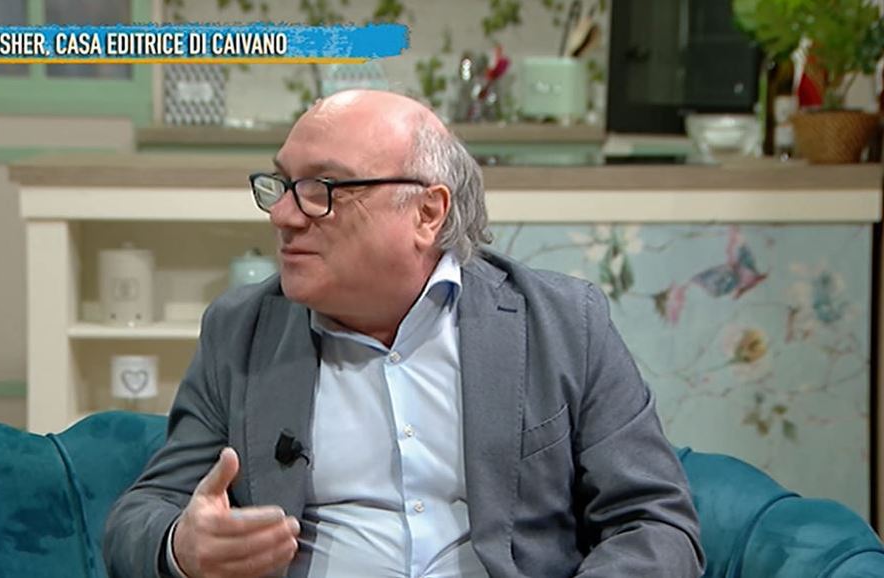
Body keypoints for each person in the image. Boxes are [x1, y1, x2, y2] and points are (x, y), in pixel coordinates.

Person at [103, 89, 705, 578]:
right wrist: (182, 547)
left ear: (426, 213)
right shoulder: (241, 331)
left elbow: (656, 523)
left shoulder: (564, 323)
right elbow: (141, 514)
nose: (284, 215)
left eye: (322, 190)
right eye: (282, 185)